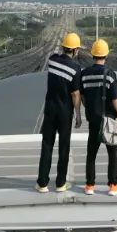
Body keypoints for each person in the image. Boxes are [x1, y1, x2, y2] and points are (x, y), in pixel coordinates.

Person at [77, 38, 117, 196]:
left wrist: (89, 107)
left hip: (93, 119)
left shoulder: (84, 74)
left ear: (92, 54)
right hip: (109, 120)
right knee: (112, 154)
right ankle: (113, 185)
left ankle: (90, 185)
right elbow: (115, 99)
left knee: (91, 154)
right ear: (106, 55)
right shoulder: (110, 74)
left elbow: (81, 96)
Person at [36, 32, 83, 193]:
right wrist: (78, 116)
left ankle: (42, 183)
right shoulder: (76, 69)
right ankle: (60, 184)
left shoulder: (52, 60)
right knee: (64, 147)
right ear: (75, 50)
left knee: (47, 145)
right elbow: (75, 94)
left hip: (50, 109)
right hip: (65, 112)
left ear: (64, 47)